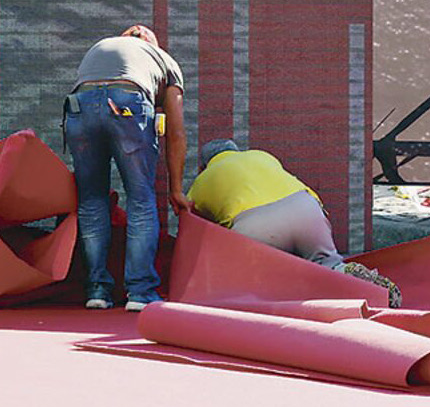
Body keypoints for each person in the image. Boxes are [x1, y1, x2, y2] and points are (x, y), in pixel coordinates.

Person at [188, 139, 402, 307]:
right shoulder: (261, 156)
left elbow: (195, 223)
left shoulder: (202, 180)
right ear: (236, 151)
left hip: (252, 225)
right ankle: (345, 274)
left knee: (248, 283)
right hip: (306, 208)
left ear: (203, 165)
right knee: (326, 264)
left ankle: (275, 296)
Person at [64, 25, 189, 312]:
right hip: (129, 104)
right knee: (141, 200)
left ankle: (96, 290)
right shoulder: (163, 60)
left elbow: (93, 94)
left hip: (80, 105)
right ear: (151, 43)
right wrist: (177, 190)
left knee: (91, 201)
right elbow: (177, 132)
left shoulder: (101, 47)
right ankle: (140, 291)